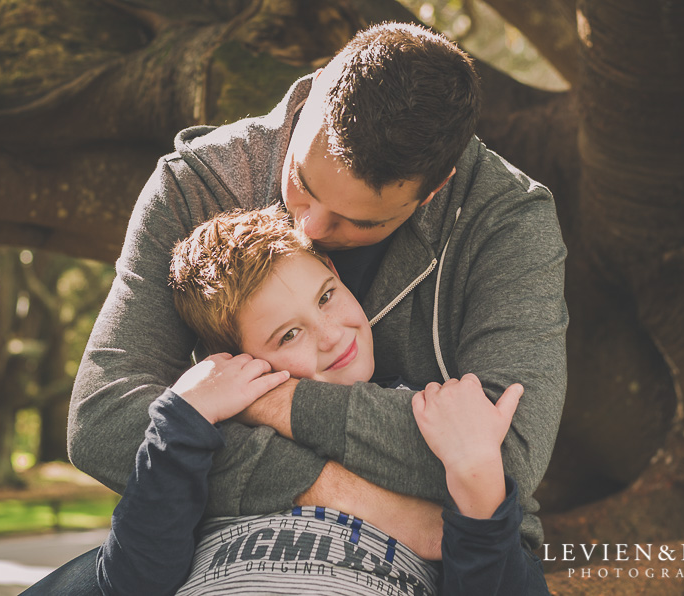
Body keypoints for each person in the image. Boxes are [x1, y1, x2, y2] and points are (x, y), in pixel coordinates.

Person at [67, 17, 566, 589]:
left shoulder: (505, 219)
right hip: (221, 546)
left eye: (360, 220)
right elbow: (102, 420)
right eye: (303, 181)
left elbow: (507, 456)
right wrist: (346, 495)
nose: (309, 225)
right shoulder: (194, 184)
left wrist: (268, 403)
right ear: (321, 82)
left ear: (433, 189)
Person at [95, 206, 544, 595]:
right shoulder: (201, 442)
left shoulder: (428, 423)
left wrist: (477, 487)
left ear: (334, 271)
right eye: (289, 334)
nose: (331, 337)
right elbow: (132, 582)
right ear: (237, 360)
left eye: (326, 296)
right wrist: (182, 419)